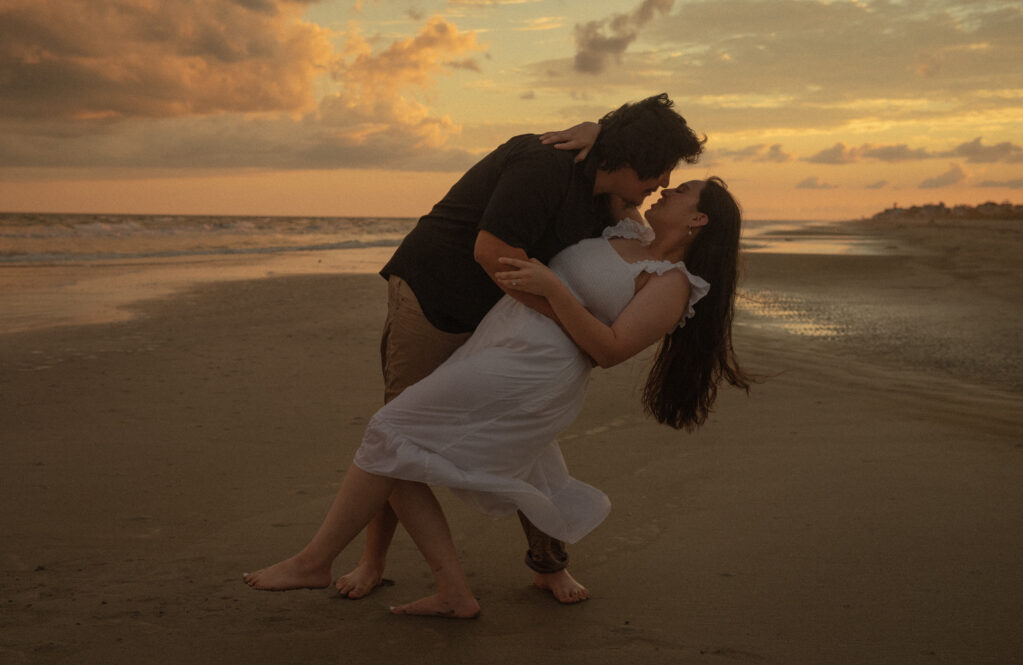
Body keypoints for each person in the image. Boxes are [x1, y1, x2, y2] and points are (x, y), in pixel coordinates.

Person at [244, 177, 752, 619]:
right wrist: (590, 127)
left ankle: (316, 562)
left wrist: (554, 290)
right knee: (405, 445)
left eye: (682, 192)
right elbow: (617, 168)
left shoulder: (674, 285)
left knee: (390, 434)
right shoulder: (629, 228)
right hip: (500, 341)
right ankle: (456, 593)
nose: (665, 189)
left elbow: (611, 350)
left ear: (699, 219)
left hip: (533, 372)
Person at [339, 93, 705, 605]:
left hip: (506, 316)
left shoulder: (612, 196)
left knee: (519, 437)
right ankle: (372, 560)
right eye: (662, 169)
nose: (663, 183)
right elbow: (491, 251)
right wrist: (561, 310)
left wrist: (599, 130)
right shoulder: (545, 166)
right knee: (400, 428)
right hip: (434, 299)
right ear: (633, 159)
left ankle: (548, 563)